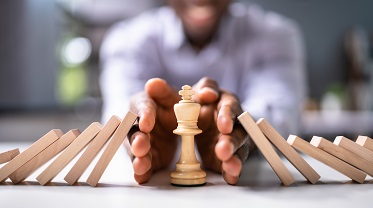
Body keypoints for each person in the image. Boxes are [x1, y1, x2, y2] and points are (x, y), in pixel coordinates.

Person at [99, 0, 306, 185]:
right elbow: (117, 115)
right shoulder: (127, 38)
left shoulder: (276, 34)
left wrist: (240, 132)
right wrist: (138, 129)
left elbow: (281, 116)